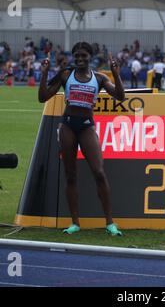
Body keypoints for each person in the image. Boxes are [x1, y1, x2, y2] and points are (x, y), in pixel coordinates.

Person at [38, 42, 125, 235]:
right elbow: (43, 97)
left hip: (86, 127)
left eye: (83, 56)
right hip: (68, 125)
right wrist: (44, 74)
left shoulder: (100, 78)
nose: (79, 59)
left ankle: (110, 223)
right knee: (71, 175)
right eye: (76, 56)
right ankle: (75, 223)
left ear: (90, 57)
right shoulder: (65, 75)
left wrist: (116, 74)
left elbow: (120, 96)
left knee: (99, 173)